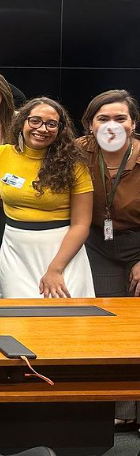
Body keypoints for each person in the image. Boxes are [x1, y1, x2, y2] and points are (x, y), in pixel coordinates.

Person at [0, 98, 94, 298]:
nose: (42, 129)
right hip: (15, 250)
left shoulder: (74, 163)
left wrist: (56, 269)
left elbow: (81, 225)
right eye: (35, 121)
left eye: (51, 124)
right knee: (16, 320)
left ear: (60, 129)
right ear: (23, 121)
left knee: (66, 320)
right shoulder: (2, 154)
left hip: (61, 251)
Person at [77, 90, 140, 428]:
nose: (112, 125)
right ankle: (118, 411)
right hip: (98, 244)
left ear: (133, 123)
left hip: (138, 244)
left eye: (120, 118)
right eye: (103, 118)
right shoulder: (77, 151)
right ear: (90, 124)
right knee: (109, 325)